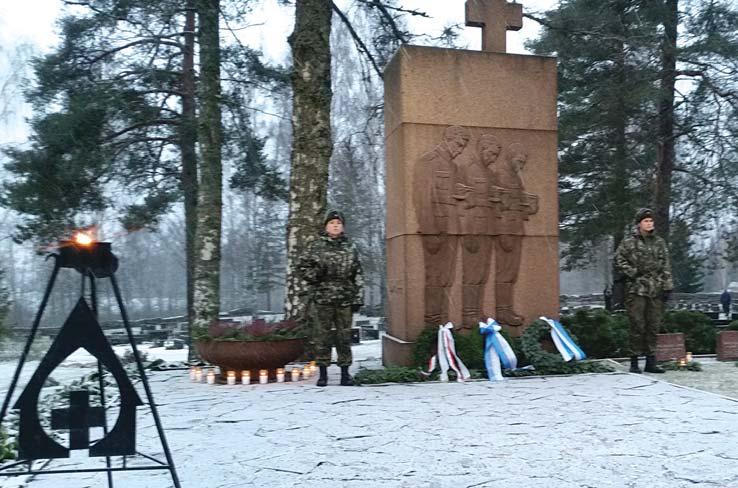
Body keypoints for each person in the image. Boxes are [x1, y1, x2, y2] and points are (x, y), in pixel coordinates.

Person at [412, 125, 470, 326]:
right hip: (435, 230)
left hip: (452, 229)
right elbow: (422, 199)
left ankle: (442, 321)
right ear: (447, 138)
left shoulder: (453, 167)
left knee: (447, 279)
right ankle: (432, 321)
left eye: (463, 147)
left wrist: (458, 193)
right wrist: (429, 230)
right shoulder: (428, 161)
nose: (460, 149)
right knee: (435, 278)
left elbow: (447, 195)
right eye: (458, 144)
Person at [298, 210, 364, 386]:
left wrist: (358, 297)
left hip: (345, 298)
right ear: (326, 226)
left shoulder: (351, 246)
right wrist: (316, 274)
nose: (335, 226)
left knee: (344, 337)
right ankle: (323, 373)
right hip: (323, 298)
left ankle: (345, 373)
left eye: (338, 223)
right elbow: (302, 268)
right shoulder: (315, 246)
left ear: (342, 227)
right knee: (322, 337)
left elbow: (357, 273)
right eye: (332, 223)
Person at [615, 208, 673, 374]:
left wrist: (667, 286)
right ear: (639, 223)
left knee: (653, 326)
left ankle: (651, 361)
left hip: (655, 289)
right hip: (636, 289)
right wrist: (633, 272)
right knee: (637, 325)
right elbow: (619, 260)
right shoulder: (629, 242)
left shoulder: (659, 242)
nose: (649, 223)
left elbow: (666, 265)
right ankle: (634, 361)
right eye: (646, 221)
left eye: (651, 221)